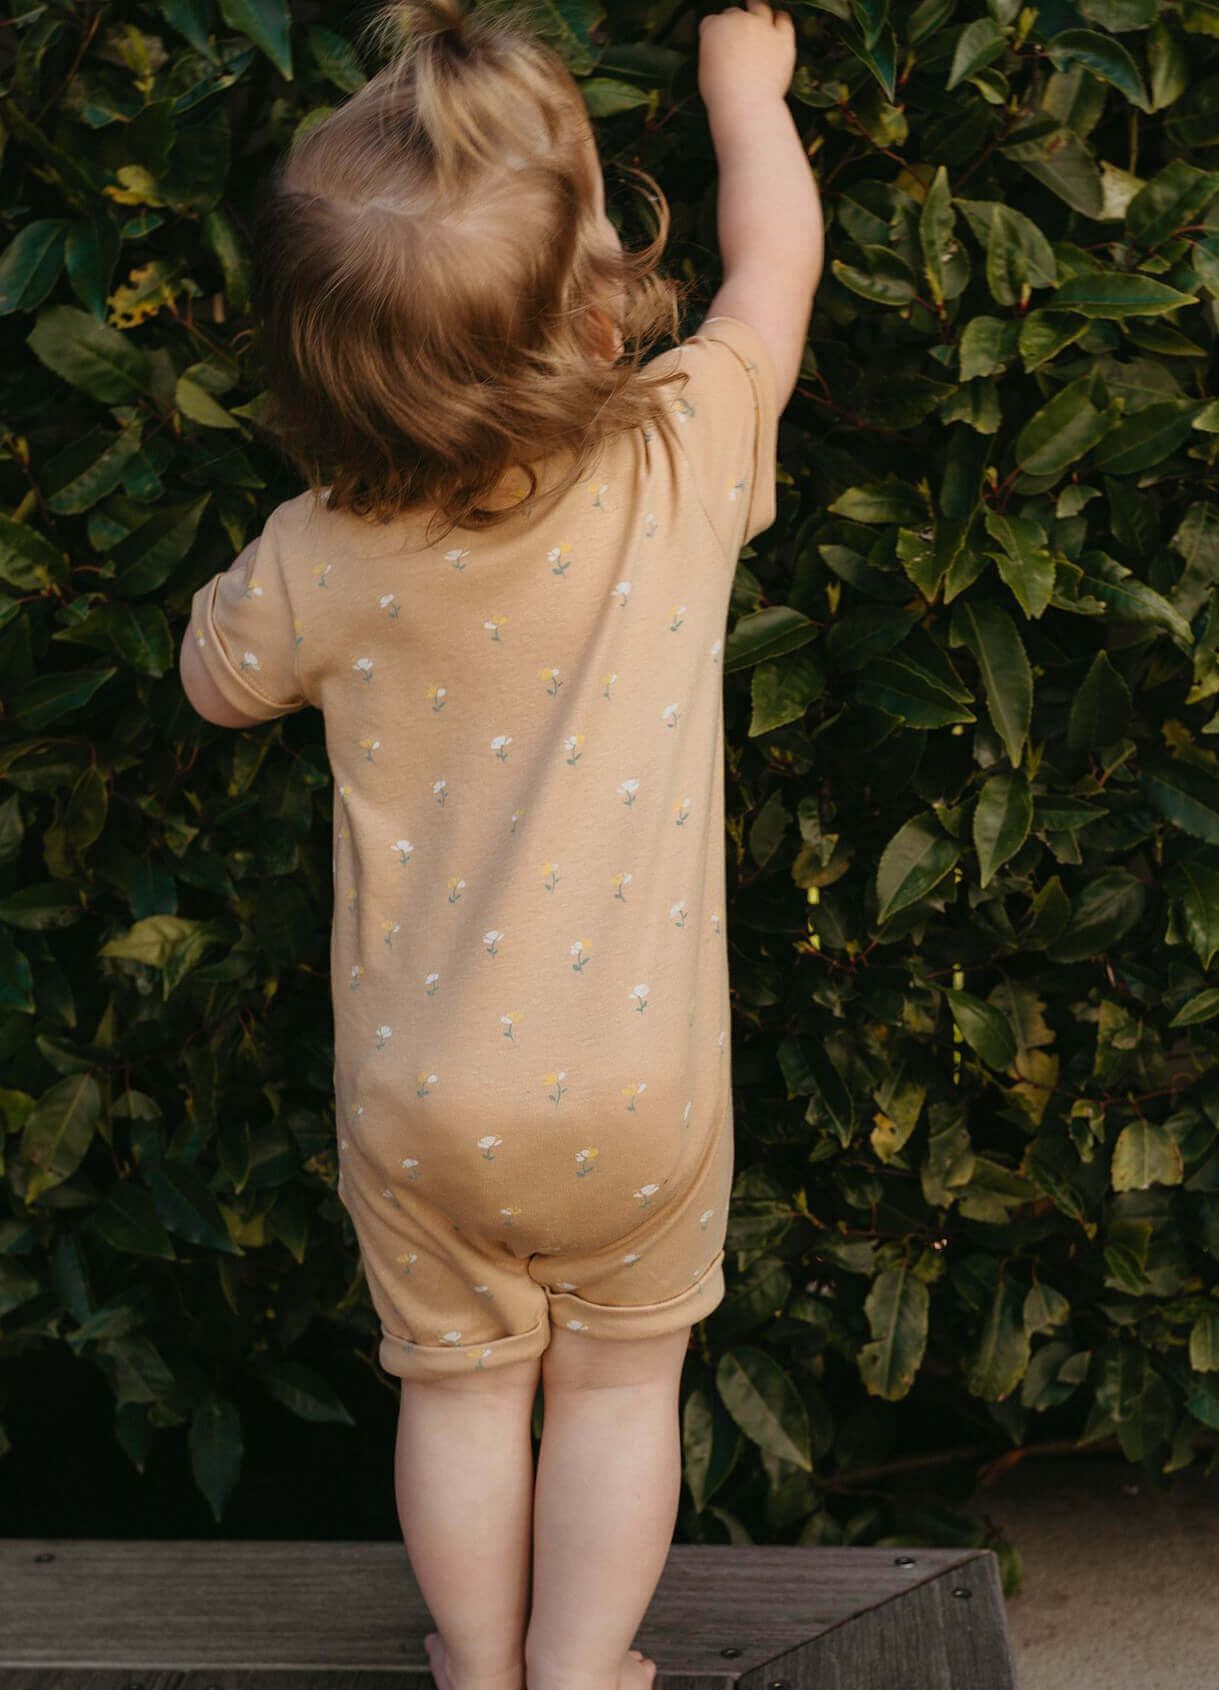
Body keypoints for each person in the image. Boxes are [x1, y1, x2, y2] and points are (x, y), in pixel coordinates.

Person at [179, 1, 822, 1686]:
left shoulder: (325, 550)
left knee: (459, 1392)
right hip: (639, 1089)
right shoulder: (685, 453)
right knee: (619, 1387)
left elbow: (213, 678)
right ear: (600, 312)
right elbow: (776, 268)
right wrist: (742, 91)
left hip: (421, 1099)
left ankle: (478, 1664)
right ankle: (582, 1671)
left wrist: (271, 569)